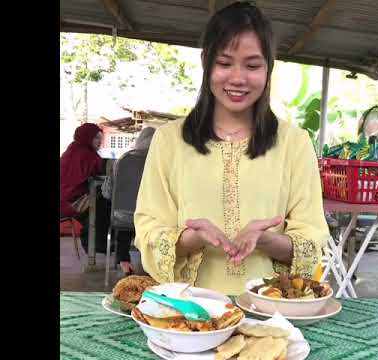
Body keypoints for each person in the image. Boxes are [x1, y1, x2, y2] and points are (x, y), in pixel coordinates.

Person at [134, 1, 330, 295]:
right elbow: (148, 230)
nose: (237, 78)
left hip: (271, 309)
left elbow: (312, 240)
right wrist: (193, 237)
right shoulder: (168, 141)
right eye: (224, 63)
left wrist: (265, 240)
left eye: (252, 65)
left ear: (268, 68)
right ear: (205, 62)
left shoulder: (295, 143)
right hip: (189, 311)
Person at [102, 126, 156, 275]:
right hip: (152, 219)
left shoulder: (122, 160)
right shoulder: (161, 162)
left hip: (122, 217)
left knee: (125, 214)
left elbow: (107, 193)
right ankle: (152, 263)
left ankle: (123, 259)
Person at [60, 123, 110, 254]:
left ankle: (93, 242)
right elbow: (100, 169)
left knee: (101, 201)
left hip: (66, 199)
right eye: (96, 138)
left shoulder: (72, 150)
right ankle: (95, 244)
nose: (99, 141)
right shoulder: (85, 154)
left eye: (100, 138)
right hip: (70, 202)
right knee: (104, 202)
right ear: (87, 138)